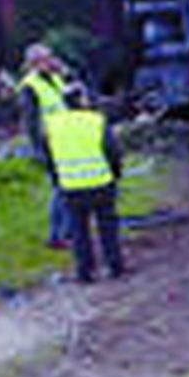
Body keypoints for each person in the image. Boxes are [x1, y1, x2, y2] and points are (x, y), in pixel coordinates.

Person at [39, 84, 126, 283]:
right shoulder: (96, 121)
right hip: (101, 182)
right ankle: (115, 265)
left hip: (70, 185)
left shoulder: (52, 124)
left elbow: (48, 157)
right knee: (107, 227)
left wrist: (57, 179)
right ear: (83, 101)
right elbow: (112, 151)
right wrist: (116, 174)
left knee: (79, 231)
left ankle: (84, 271)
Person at [15, 43, 75, 249]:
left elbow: (74, 95)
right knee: (61, 187)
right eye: (45, 59)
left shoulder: (55, 79)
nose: (51, 62)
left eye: (51, 57)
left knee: (69, 186)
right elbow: (30, 121)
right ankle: (57, 234)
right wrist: (38, 148)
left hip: (66, 138)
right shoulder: (29, 86)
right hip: (50, 142)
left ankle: (68, 231)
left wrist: (67, 72)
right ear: (34, 63)